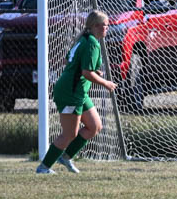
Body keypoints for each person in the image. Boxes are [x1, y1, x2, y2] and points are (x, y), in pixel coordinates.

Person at [36, 11, 118, 174]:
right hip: (70, 92)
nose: (107, 28)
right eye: (105, 25)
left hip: (78, 91)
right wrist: (105, 83)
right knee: (69, 134)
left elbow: (70, 61)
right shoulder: (92, 43)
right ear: (96, 26)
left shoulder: (85, 39)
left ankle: (65, 157)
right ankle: (43, 167)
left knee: (94, 126)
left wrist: (93, 72)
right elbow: (87, 73)